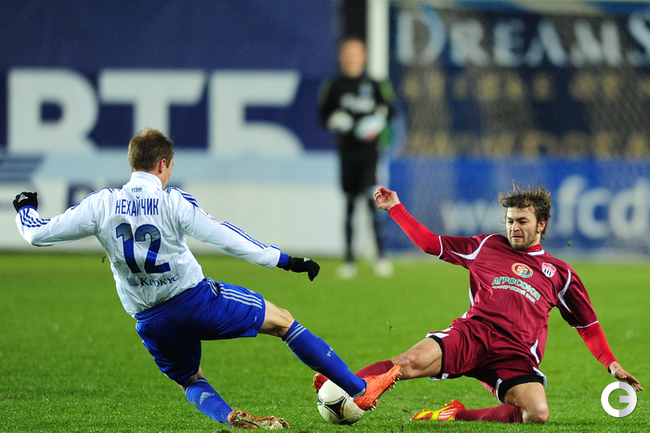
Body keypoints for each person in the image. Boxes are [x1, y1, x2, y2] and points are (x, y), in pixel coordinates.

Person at [13, 128, 401, 430]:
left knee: (190, 380)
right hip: (195, 302)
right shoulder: (171, 201)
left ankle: (228, 416)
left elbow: (37, 234)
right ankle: (359, 388)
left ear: (133, 163)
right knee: (283, 322)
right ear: (163, 164)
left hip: (150, 321)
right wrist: (285, 261)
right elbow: (226, 237)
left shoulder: (101, 204)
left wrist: (24, 208)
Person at [314, 184, 642, 423]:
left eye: (522, 221)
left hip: (515, 354)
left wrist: (611, 363)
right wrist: (395, 207)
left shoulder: (560, 273)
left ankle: (456, 415)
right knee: (408, 361)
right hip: (472, 335)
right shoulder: (485, 246)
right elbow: (430, 244)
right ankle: (339, 385)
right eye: (510, 220)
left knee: (537, 413)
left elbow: (587, 325)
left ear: (541, 225)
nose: (513, 227)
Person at [318, 36, 395, 279]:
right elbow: (323, 115)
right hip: (347, 153)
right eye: (348, 53)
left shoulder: (376, 84)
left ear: (364, 57)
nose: (352, 58)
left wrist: (377, 122)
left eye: (356, 53)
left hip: (370, 154)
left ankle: (380, 257)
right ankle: (349, 260)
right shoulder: (334, 85)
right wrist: (335, 120)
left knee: (373, 202)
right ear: (342, 57)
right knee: (350, 203)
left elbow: (391, 110)